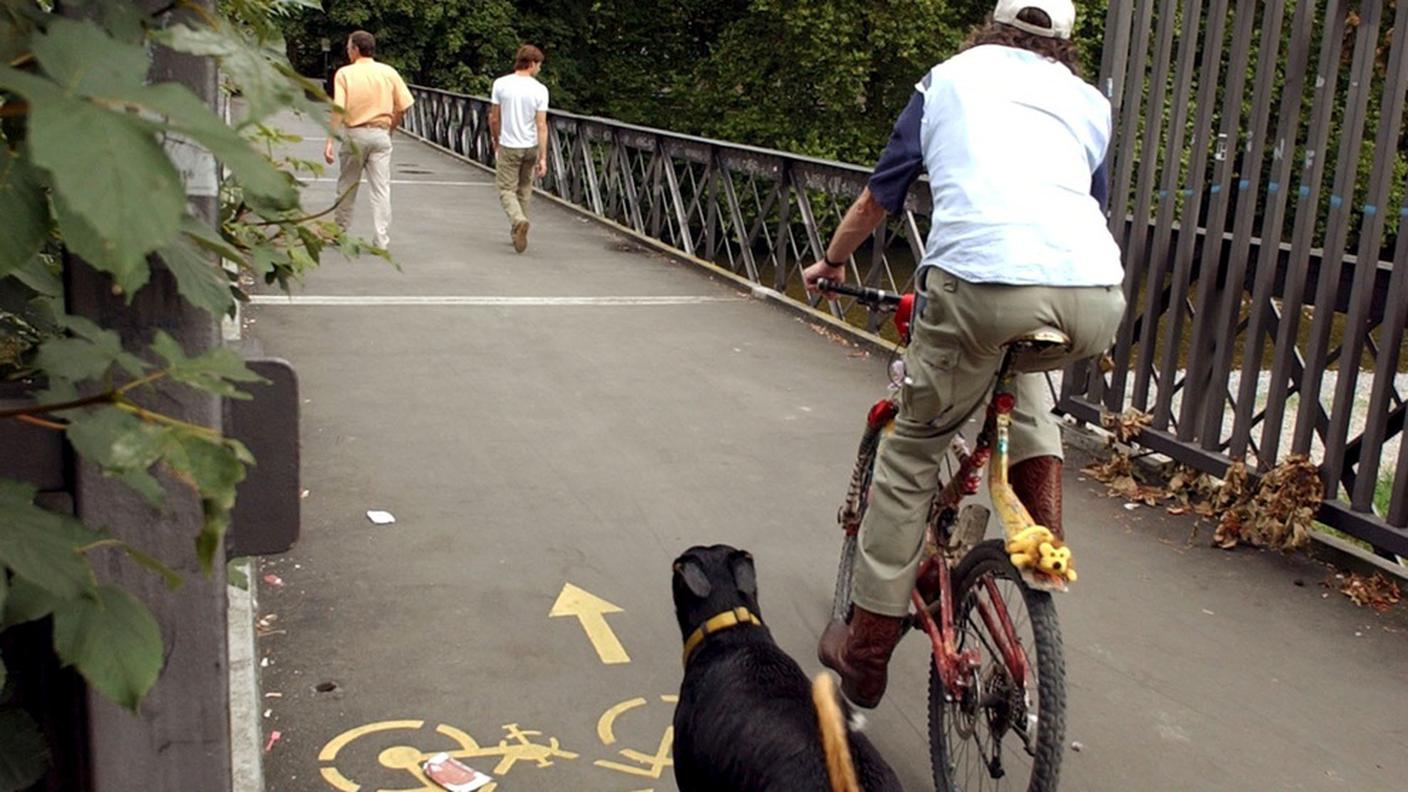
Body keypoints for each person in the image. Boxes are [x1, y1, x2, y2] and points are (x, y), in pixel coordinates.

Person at [806, 0, 1127, 709]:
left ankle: (865, 654)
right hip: (1094, 295)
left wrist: (830, 263)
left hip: (980, 284)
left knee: (914, 449)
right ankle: (1042, 549)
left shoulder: (948, 80)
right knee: (1031, 391)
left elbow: (878, 199)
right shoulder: (1088, 101)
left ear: (994, 25)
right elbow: (1085, 204)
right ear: (1066, 44)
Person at [323, 31, 414, 249]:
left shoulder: (345, 74)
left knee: (347, 184)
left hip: (355, 134)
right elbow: (404, 105)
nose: (347, 50)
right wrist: (391, 126)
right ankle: (381, 238)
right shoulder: (388, 72)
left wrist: (329, 140)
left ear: (355, 49)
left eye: (348, 47)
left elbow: (339, 109)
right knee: (381, 188)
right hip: (381, 135)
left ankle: (340, 231)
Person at [490, 45, 550, 253]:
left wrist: (496, 139)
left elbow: (494, 118)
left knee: (506, 189)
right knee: (524, 188)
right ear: (532, 63)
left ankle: (518, 220)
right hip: (530, 146)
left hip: (509, 144)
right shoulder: (540, 89)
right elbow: (541, 125)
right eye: (539, 65)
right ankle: (518, 232)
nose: (539, 69)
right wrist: (543, 157)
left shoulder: (501, 84)